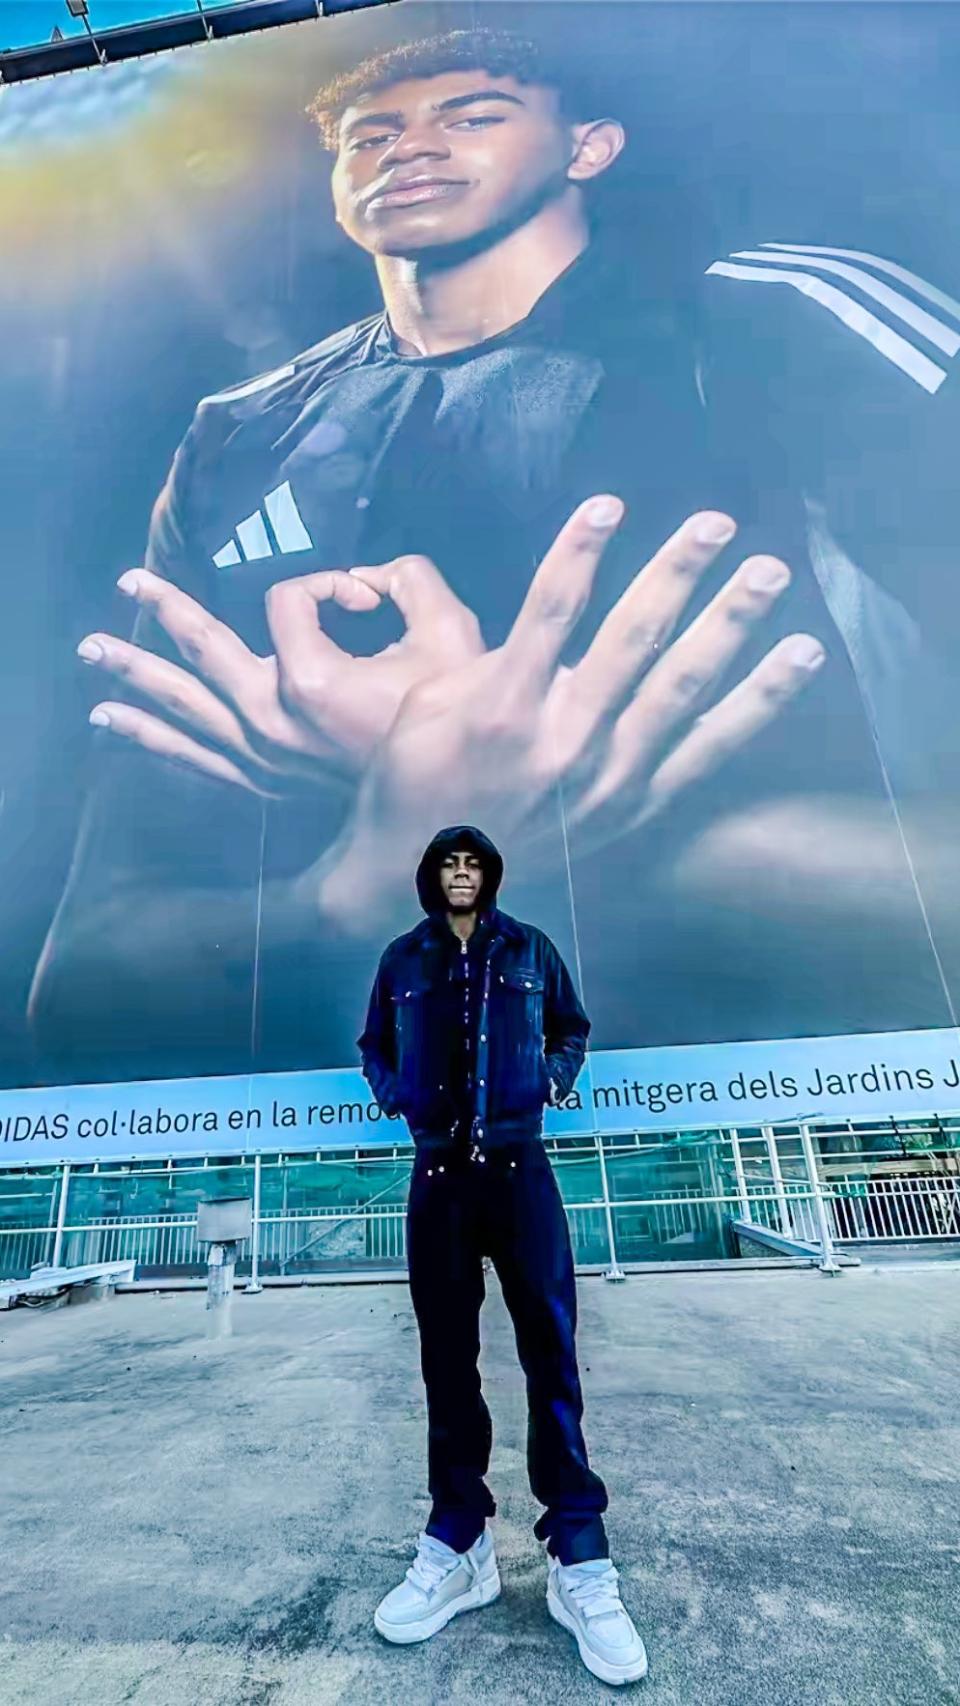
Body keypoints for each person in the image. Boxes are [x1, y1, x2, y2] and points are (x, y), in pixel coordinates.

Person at [29, 24, 960, 1087]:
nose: (408, 147)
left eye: (472, 115)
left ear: (589, 147)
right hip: (364, 1121)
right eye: (369, 134)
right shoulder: (240, 432)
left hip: (786, 1091)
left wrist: (513, 825)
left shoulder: (775, 315)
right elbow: (80, 984)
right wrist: (350, 887)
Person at [359, 825, 648, 1687]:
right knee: (447, 1364)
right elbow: (375, 1044)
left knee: (551, 1355)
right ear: (429, 877)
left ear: (487, 876)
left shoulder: (531, 949)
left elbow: (571, 1027)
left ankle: (578, 1554)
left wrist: (556, 1078)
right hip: (438, 1177)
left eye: (471, 863)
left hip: (522, 1174)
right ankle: (460, 1541)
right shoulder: (402, 959)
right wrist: (392, 1092)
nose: (459, 874)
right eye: (447, 863)